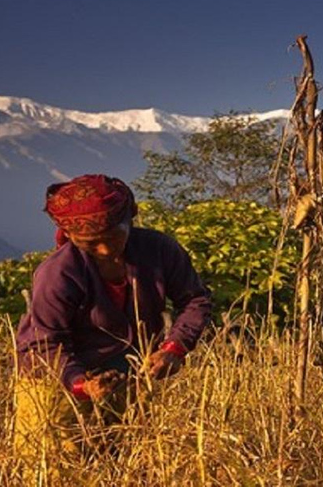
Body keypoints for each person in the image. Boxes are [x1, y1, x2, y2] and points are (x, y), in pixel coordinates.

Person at [13, 174, 212, 474]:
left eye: (114, 236)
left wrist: (174, 348)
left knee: (125, 467)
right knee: (61, 471)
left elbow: (195, 300)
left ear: (129, 220)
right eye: (92, 243)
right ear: (71, 236)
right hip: (57, 382)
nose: (106, 249)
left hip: (124, 377)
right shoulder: (58, 273)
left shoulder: (158, 250)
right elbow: (43, 343)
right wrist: (82, 383)